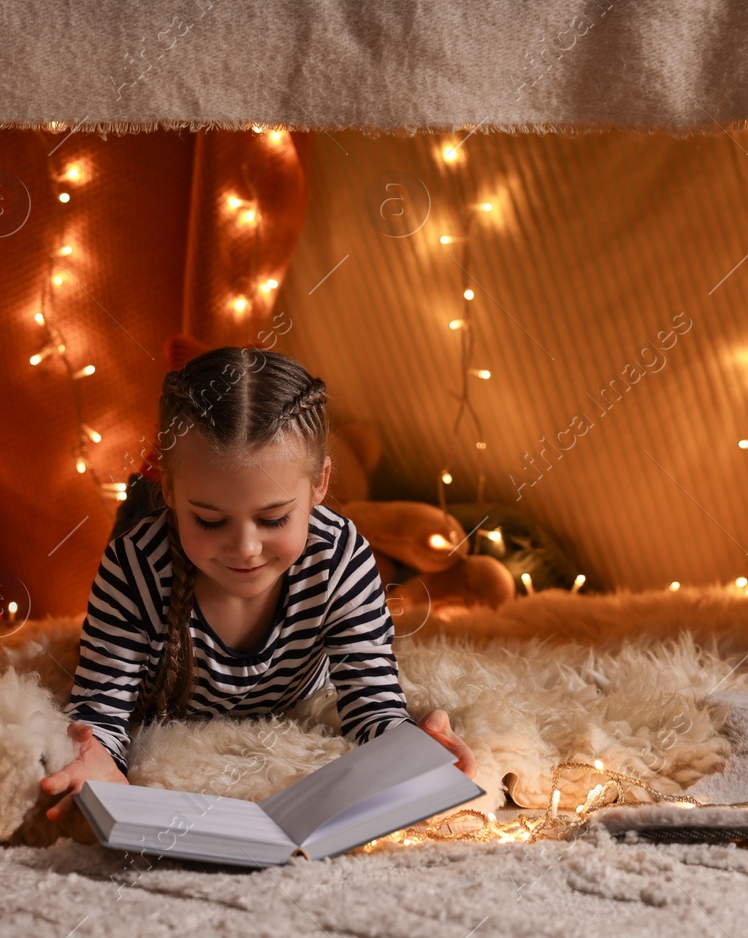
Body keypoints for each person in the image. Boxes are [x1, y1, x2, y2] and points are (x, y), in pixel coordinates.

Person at [40, 346, 476, 823]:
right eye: (209, 520)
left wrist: (410, 747)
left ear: (320, 483)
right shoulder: (135, 565)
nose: (245, 548)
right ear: (168, 489)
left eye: (273, 518)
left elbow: (372, 703)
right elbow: (99, 711)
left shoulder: (339, 556)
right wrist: (97, 758)